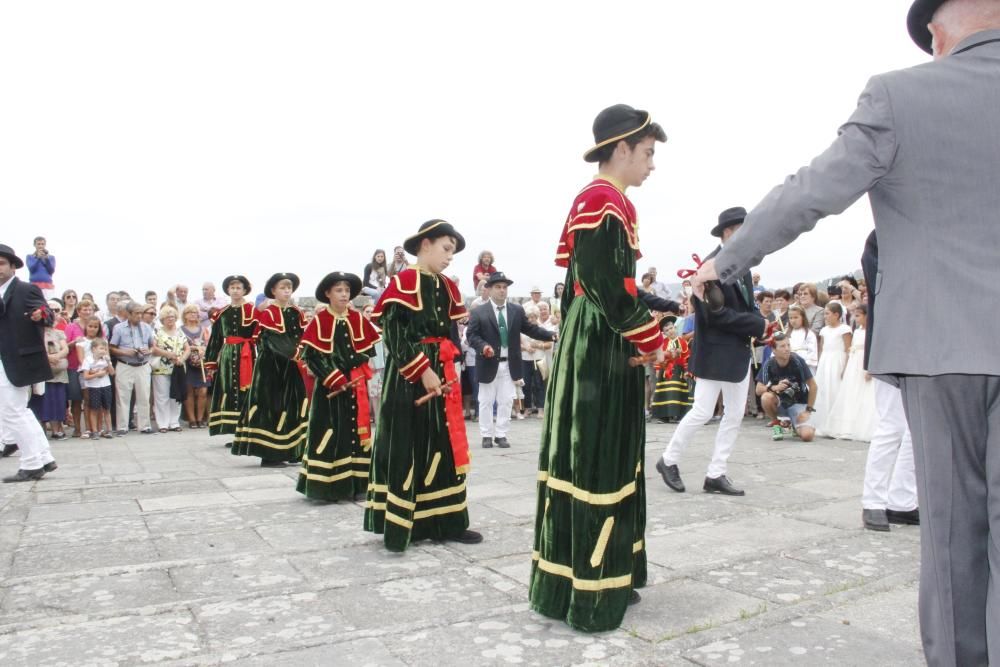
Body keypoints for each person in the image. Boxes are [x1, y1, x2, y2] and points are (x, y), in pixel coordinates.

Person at [691, 2, 1000, 661]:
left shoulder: (902, 94)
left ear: (939, 32)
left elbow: (812, 191)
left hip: (942, 350)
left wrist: (726, 259)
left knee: (951, 540)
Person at [531, 104, 667, 632]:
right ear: (623, 148)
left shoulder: (608, 202)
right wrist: (651, 339)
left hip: (600, 338)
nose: (653, 164)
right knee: (597, 455)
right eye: (649, 153)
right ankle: (590, 588)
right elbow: (609, 288)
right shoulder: (602, 201)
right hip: (601, 344)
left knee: (602, 454)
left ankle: (599, 574)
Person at [364, 219, 482, 551]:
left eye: (453, 253)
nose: (449, 257)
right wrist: (422, 370)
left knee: (444, 443)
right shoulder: (403, 281)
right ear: (425, 244)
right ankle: (408, 524)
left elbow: (448, 334)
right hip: (408, 378)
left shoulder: (446, 285)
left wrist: (449, 367)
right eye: (446, 249)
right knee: (410, 444)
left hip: (441, 371)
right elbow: (395, 334)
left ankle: (449, 520)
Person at [655, 207, 767, 498]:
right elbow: (716, 316)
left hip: (736, 351)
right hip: (716, 352)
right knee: (703, 411)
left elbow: (745, 307)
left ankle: (716, 473)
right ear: (729, 232)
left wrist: (759, 323)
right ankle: (668, 460)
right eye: (745, 229)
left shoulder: (739, 264)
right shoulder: (709, 268)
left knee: (733, 416)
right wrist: (757, 324)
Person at [297, 272, 380, 498]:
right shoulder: (319, 321)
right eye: (338, 290)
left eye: (346, 291)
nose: (344, 295)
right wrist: (334, 377)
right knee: (331, 432)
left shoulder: (359, 319)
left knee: (355, 431)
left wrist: (354, 366)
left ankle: (358, 484)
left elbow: (368, 350)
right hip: (331, 388)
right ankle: (328, 486)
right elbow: (312, 356)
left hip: (355, 385)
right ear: (328, 294)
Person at [858, 232, 918, 533]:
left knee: (914, 430)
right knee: (891, 426)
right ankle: (874, 501)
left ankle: (902, 501)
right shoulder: (882, 236)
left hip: (921, 345)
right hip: (890, 342)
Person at [466, 272, 556, 448]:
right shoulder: (478, 312)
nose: (502, 290)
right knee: (485, 400)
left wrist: (551, 335)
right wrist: (483, 346)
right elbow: (471, 335)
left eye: (504, 287)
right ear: (489, 289)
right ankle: (486, 434)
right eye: (498, 287)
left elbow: (530, 329)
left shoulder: (516, 310)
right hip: (488, 361)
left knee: (506, 399)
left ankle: (501, 434)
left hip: (510, 363)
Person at [233, 273, 308, 467]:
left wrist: (300, 352)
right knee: (272, 406)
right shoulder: (268, 313)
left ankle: (293, 450)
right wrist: (295, 353)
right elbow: (271, 341)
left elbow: (302, 336)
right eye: (282, 287)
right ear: (273, 291)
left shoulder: (296, 312)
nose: (286, 291)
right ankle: (269, 453)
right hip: (271, 368)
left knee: (294, 405)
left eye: (289, 288)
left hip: (290, 366)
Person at [0, 244, 57, 482]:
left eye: (2, 263)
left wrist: (40, 315)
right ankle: (43, 457)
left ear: (13, 266)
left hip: (18, 359)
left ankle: (32, 463)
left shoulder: (26, 289)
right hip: (3, 360)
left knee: (12, 411)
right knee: (16, 411)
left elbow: (48, 314)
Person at [203, 275, 258, 442]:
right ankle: (234, 431)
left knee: (246, 390)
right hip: (227, 355)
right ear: (228, 290)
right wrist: (211, 361)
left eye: (238, 287)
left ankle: (247, 429)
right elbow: (216, 339)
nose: (235, 290)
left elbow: (260, 335)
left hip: (247, 354)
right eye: (232, 288)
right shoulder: (222, 314)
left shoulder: (253, 311)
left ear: (244, 290)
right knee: (229, 389)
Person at [824, 304, 877, 442]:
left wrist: (870, 368)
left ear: (867, 316)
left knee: (865, 394)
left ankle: (864, 426)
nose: (855, 318)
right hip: (854, 364)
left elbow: (872, 350)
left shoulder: (871, 332)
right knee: (851, 393)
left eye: (858, 315)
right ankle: (849, 427)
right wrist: (847, 366)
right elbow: (850, 349)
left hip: (863, 364)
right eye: (854, 315)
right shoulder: (857, 330)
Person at [756, 334, 818, 442]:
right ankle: (777, 424)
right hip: (781, 404)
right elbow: (758, 389)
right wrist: (773, 387)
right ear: (774, 350)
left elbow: (813, 386)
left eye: (788, 345)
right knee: (766, 397)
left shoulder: (798, 361)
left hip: (798, 404)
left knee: (807, 436)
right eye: (782, 346)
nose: (787, 349)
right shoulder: (769, 363)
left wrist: (808, 411)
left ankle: (793, 425)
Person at [109, 302, 155, 435]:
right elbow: (111, 347)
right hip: (125, 364)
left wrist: (148, 350)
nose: (139, 316)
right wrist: (125, 352)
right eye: (136, 313)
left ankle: (145, 425)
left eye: (141, 313)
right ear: (128, 314)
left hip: (143, 364)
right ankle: (122, 426)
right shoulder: (119, 328)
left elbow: (152, 345)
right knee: (123, 396)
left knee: (144, 396)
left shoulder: (146, 327)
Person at [813, 301, 852, 433]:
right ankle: (824, 422)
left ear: (836, 314)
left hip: (838, 361)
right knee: (824, 390)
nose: (825, 316)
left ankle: (837, 424)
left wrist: (846, 367)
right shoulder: (824, 330)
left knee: (836, 389)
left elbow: (848, 349)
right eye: (824, 314)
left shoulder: (844, 329)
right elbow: (822, 348)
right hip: (826, 361)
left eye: (828, 314)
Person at [150, 305, 189, 433]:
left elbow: (187, 348)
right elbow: (153, 348)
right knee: (162, 396)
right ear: (162, 319)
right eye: (167, 317)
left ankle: (174, 422)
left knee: (176, 395)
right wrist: (168, 354)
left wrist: (182, 359)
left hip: (177, 367)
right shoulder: (157, 331)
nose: (170, 319)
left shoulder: (180, 332)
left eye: (172, 317)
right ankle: (163, 423)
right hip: (161, 368)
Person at [64, 299, 97, 437]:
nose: (87, 312)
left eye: (90, 309)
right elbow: (64, 346)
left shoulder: (96, 325)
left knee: (89, 398)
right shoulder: (71, 326)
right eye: (84, 309)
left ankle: (90, 427)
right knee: (76, 398)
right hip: (73, 366)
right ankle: (77, 429)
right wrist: (74, 342)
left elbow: (102, 342)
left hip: (92, 368)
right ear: (78, 311)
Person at [650, 316, 692, 423]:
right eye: (667, 330)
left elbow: (686, 357)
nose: (670, 331)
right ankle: (664, 416)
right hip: (665, 373)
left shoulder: (683, 342)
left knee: (678, 392)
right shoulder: (663, 343)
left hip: (679, 372)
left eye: (671, 328)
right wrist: (658, 369)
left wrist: (687, 371)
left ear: (675, 328)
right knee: (666, 393)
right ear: (664, 333)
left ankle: (679, 415)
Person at [30, 323, 69, 439]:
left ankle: (56, 430)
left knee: (57, 401)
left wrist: (56, 356)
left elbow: (65, 348)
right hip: (41, 372)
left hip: (58, 371)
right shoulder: (33, 332)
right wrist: (47, 357)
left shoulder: (59, 333)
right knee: (41, 401)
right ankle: (40, 431)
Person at [179, 305, 210, 428]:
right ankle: (192, 419)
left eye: (195, 312)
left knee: (203, 391)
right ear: (185, 315)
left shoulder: (204, 329)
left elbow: (209, 343)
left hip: (202, 362)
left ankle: (200, 418)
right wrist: (194, 348)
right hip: (188, 362)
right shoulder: (180, 330)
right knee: (189, 391)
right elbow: (179, 344)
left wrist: (204, 349)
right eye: (190, 312)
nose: (193, 314)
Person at [80, 338, 116, 439]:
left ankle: (109, 430)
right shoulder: (88, 360)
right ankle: (95, 431)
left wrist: (109, 363)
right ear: (93, 349)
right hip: (93, 387)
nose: (103, 351)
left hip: (106, 385)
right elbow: (85, 376)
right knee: (94, 409)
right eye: (101, 348)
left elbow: (112, 372)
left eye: (105, 349)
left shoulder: (106, 359)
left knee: (107, 409)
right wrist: (97, 374)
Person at [786, 304, 818, 374]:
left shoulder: (809, 333)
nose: (793, 320)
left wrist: (804, 364)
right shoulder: (787, 333)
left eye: (796, 317)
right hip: (789, 363)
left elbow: (812, 351)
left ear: (803, 317)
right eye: (791, 318)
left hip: (805, 364)